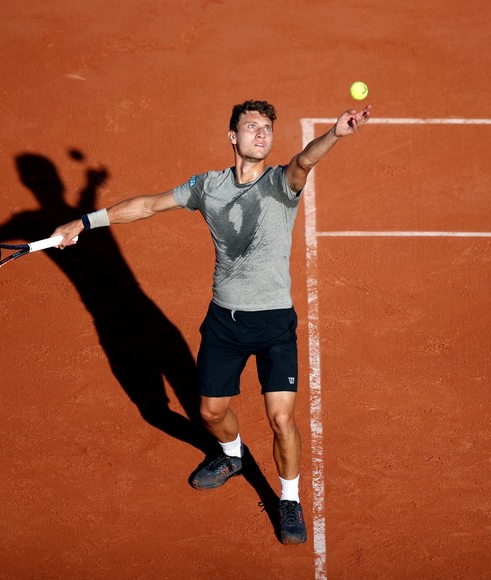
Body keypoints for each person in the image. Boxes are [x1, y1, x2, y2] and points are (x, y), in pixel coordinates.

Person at [52, 100, 371, 544]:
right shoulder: (207, 187)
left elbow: (304, 160)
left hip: (275, 322)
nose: (262, 134)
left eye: (267, 129)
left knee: (281, 419)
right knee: (209, 412)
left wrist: (335, 134)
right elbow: (147, 206)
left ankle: (290, 499)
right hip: (224, 320)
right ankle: (231, 455)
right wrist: (85, 221)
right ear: (232, 138)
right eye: (252, 127)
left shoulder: (283, 183)